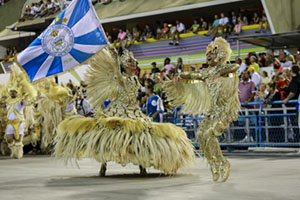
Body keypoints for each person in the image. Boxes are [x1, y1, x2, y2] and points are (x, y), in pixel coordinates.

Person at [54, 47, 194, 176]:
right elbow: (117, 76)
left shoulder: (135, 79)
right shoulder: (120, 78)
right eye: (130, 61)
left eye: (134, 61)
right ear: (124, 64)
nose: (134, 63)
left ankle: (142, 165)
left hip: (134, 110)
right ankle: (104, 165)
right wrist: (114, 58)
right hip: (119, 109)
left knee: (140, 133)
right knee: (112, 134)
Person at [165, 37, 240, 182]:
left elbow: (235, 66)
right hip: (212, 111)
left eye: (211, 54)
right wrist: (179, 76)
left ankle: (223, 162)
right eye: (207, 55)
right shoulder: (206, 72)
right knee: (200, 135)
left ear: (219, 55)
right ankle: (213, 163)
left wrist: (219, 73)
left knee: (210, 133)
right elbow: (192, 75)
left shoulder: (223, 68)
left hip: (224, 109)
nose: (208, 56)